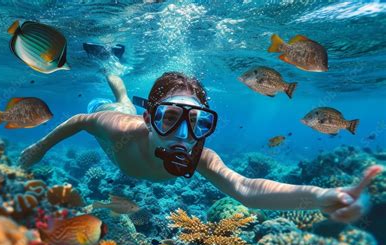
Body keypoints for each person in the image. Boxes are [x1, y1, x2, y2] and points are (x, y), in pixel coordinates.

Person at [20, 71, 382, 224]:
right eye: (169, 118)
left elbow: (247, 190)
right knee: (117, 103)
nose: (183, 134)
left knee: (126, 104)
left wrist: (321, 198)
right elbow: (79, 123)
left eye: (198, 123)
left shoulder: (201, 157)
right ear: (151, 119)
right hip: (110, 114)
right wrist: (39, 148)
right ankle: (114, 75)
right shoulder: (120, 130)